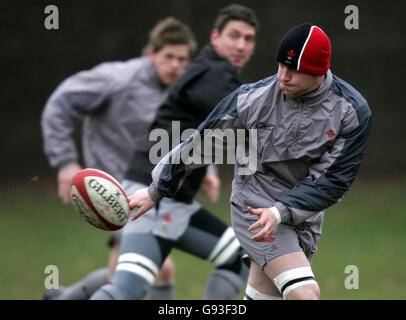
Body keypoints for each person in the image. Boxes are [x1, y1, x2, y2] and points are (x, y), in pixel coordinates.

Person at [128, 23, 372, 300]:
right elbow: (201, 143)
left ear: (319, 72)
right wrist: (155, 189)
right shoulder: (252, 98)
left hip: (304, 217)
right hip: (254, 210)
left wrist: (280, 212)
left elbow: (333, 180)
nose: (283, 76)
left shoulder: (351, 111)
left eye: (294, 71)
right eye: (281, 65)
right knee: (305, 294)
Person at [90, 4, 259, 300]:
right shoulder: (216, 73)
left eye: (249, 38)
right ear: (215, 37)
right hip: (150, 195)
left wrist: (204, 171)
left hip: (173, 202)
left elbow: (203, 131)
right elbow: (239, 127)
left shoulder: (209, 70)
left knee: (240, 257)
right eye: (234, 36)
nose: (241, 45)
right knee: (128, 288)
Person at [41, 17, 197, 300]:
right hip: (109, 194)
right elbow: (60, 104)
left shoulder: (178, 93)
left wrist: (206, 171)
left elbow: (185, 137)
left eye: (182, 59)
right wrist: (66, 162)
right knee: (157, 269)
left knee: (123, 276)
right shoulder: (118, 78)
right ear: (151, 53)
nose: (175, 65)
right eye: (168, 57)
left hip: (144, 197)